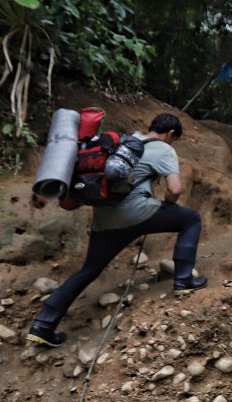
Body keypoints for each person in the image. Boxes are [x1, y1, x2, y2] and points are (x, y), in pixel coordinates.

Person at [27, 113, 206, 348]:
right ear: (171, 134)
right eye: (174, 139)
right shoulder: (164, 149)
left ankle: (43, 325)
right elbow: (175, 189)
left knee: (89, 270)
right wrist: (167, 204)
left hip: (104, 221)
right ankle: (183, 279)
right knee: (191, 219)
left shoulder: (124, 143)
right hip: (138, 213)